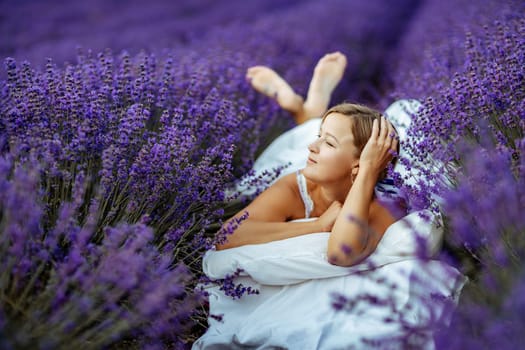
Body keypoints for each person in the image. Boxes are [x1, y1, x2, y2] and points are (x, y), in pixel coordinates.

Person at [216, 52, 401, 267]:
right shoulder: (296, 185)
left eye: (329, 144)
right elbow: (226, 236)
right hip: (301, 166)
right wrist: (318, 226)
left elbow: (341, 254)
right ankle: (306, 115)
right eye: (318, 138)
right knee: (259, 176)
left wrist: (367, 171)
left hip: (342, 169)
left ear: (360, 164)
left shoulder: (385, 205)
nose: (312, 147)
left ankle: (308, 114)